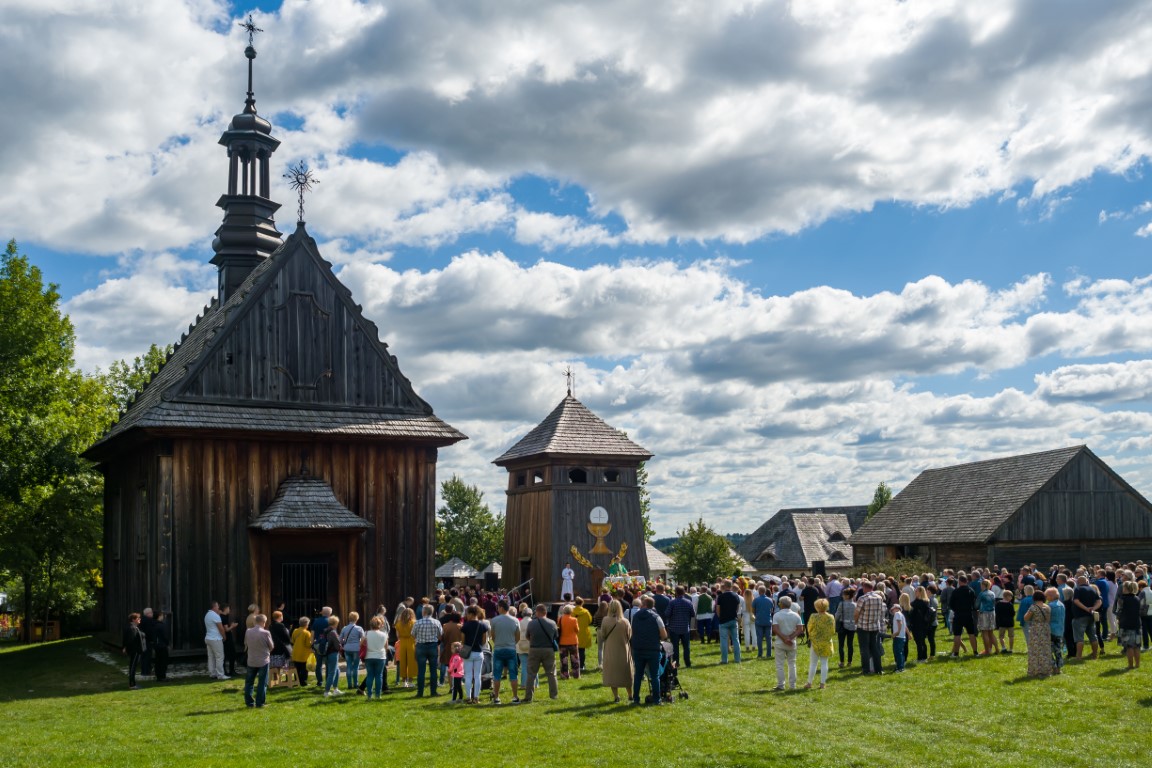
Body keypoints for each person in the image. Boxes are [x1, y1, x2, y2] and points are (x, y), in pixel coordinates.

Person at [630, 596, 667, 705]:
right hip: (652, 649)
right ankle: (657, 699)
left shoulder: (635, 616)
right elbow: (664, 635)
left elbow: (632, 631)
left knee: (638, 675)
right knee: (655, 676)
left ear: (644, 605)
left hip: (638, 648)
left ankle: (636, 699)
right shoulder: (656, 617)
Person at [598, 599, 633, 703]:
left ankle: (616, 696)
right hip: (623, 648)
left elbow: (603, 635)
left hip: (610, 649)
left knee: (612, 672)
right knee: (626, 672)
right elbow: (629, 635)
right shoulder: (625, 621)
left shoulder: (605, 620)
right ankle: (630, 695)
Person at [523, 604, 559, 702]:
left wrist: (533, 641)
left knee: (531, 674)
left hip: (534, 649)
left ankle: (528, 697)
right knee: (551, 673)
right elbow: (555, 636)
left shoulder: (531, 623)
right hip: (548, 650)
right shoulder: (552, 623)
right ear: (545, 612)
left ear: (537, 612)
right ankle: (554, 695)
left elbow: (527, 636)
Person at [489, 600, 521, 704]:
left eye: (498, 607)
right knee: (513, 674)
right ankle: (515, 696)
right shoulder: (515, 620)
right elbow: (518, 637)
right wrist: (511, 643)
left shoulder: (494, 620)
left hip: (498, 649)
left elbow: (492, 636)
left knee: (497, 675)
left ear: (501, 608)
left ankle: (497, 698)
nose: (497, 609)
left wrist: (498, 642)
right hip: (511, 649)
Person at [772, 595, 803, 690]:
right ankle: (792, 685)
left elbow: (775, 629)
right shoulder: (796, 615)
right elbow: (800, 629)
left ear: (781, 604)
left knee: (780, 664)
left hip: (780, 642)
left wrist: (785, 638)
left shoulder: (777, 615)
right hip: (791, 643)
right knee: (792, 663)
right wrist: (790, 638)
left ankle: (781, 684)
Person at [854, 583, 886, 675]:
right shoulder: (879, 598)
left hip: (863, 626)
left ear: (864, 588)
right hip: (875, 626)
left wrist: (856, 622)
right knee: (874, 648)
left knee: (864, 649)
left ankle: (866, 669)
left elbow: (856, 612)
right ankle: (878, 669)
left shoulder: (862, 598)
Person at [412, 604, 443, 698]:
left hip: (421, 646)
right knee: (433, 670)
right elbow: (440, 635)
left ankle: (420, 692)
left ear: (424, 612)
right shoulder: (436, 622)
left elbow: (413, 634)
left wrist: (419, 638)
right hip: (433, 646)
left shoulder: (418, 622)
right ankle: (433, 691)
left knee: (421, 671)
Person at [460, 604, 489, 703]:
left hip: (468, 653)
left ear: (471, 614)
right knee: (477, 676)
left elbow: (463, 641)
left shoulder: (465, 625)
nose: (466, 615)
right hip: (479, 652)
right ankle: (476, 697)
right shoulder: (483, 625)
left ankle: (468, 697)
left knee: (468, 676)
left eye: (467, 613)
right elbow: (484, 641)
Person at [243, 613, 274, 707]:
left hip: (251, 660)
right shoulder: (266, 633)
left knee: (249, 682)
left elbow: (246, 643)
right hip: (263, 660)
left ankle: (249, 702)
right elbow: (271, 646)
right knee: (262, 682)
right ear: (263, 622)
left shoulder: (248, 631)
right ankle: (260, 703)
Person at [805, 598, 835, 689]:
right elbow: (833, 630)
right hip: (826, 642)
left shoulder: (813, 616)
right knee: (824, 663)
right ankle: (822, 684)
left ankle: (809, 683)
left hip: (815, 642)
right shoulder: (831, 617)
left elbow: (809, 628)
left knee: (813, 663)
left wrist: (813, 636)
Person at [1022, 591, 1052, 677]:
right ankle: (1046, 670)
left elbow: (1026, 618)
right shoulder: (1048, 607)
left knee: (1035, 649)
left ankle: (1035, 670)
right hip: (1045, 628)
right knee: (1045, 649)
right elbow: (1048, 619)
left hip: (1036, 628)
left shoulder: (1033, 607)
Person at [1071, 575, 1101, 659]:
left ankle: (1079, 656)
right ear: (1086, 581)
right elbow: (1099, 601)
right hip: (1090, 616)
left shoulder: (1078, 589)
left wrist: (1086, 608)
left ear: (1078, 582)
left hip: (1080, 616)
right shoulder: (1092, 589)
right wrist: (1093, 609)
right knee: (1093, 636)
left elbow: (1076, 601)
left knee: (1079, 638)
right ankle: (1095, 655)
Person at [948, 576, 979, 657]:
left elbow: (951, 604)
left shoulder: (956, 591)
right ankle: (975, 652)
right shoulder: (971, 590)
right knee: (971, 634)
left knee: (957, 635)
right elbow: (974, 603)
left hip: (958, 614)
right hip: (968, 614)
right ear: (966, 581)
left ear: (960, 581)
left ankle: (956, 653)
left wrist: (956, 610)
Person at [1116, 580, 1142, 670]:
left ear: (1126, 588)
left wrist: (1118, 619)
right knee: (1137, 646)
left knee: (1129, 646)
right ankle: (1137, 664)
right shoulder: (1137, 598)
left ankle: (1130, 665)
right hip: (1137, 623)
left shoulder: (1122, 599)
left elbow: (1118, 611)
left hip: (1125, 624)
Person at [716, 580, 742, 664]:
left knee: (723, 640)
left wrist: (720, 616)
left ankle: (724, 660)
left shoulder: (720, 597)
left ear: (724, 586)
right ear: (731, 586)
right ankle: (737, 659)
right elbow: (737, 608)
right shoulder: (736, 596)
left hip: (723, 620)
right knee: (736, 639)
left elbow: (718, 609)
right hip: (733, 619)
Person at [363, 615, 389, 699]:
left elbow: (360, 644)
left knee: (370, 675)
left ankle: (369, 695)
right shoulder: (384, 634)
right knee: (379, 675)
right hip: (380, 656)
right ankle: (378, 695)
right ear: (380, 624)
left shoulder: (366, 633)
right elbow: (386, 647)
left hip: (369, 656)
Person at [339, 611, 365, 690]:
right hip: (356, 648)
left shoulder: (344, 628)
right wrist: (359, 644)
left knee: (349, 666)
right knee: (356, 666)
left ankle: (349, 684)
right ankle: (355, 683)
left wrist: (345, 643)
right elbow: (363, 638)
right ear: (357, 619)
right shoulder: (359, 628)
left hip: (347, 649)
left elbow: (340, 639)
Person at [203, 601, 228, 680]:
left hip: (208, 638)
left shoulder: (207, 614)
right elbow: (221, 628)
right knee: (219, 657)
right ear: (214, 607)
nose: (218, 607)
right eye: (217, 606)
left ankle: (213, 673)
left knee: (211, 657)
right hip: (215, 638)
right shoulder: (215, 615)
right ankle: (220, 675)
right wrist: (224, 637)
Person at [122, 612, 147, 690]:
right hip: (134, 651)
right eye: (138, 618)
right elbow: (130, 640)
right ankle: (132, 685)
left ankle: (133, 683)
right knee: (132, 667)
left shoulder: (134, 627)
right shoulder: (132, 628)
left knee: (133, 667)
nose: (139, 619)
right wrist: (126, 648)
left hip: (135, 650)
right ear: (133, 619)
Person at [908, 586, 933, 663]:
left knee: (919, 641)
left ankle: (920, 658)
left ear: (920, 592)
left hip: (919, 624)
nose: (915, 593)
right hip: (922, 624)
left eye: (916, 591)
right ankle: (923, 656)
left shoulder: (918, 603)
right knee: (921, 641)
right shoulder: (926, 602)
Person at [310, 606, 333, 687]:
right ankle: (328, 681)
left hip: (318, 644)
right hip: (328, 645)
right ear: (330, 613)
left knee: (318, 664)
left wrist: (312, 645)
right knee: (328, 664)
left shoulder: (316, 621)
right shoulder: (330, 622)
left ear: (322, 612)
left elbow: (312, 634)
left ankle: (319, 682)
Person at [269, 610, 293, 687]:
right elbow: (286, 636)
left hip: (274, 646)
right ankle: (283, 680)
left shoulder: (271, 625)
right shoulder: (280, 625)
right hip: (282, 647)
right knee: (283, 664)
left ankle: (275, 680)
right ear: (279, 617)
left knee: (274, 665)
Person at [394, 607, 417, 688]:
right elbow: (415, 634)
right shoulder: (414, 623)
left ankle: (404, 682)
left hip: (402, 643)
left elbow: (398, 635)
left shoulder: (398, 623)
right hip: (411, 643)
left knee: (403, 662)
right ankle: (410, 682)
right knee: (411, 662)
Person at [1045, 587, 1065, 675]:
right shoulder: (1061, 604)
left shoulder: (1050, 606)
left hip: (1051, 630)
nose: (1046, 598)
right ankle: (1059, 668)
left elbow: (1047, 619)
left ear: (1051, 596)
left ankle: (1054, 667)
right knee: (1058, 650)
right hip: (1060, 630)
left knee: (1048, 650)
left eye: (1047, 596)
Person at [834, 587, 856, 667]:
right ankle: (850, 662)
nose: (842, 596)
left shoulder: (842, 604)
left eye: (843, 594)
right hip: (852, 626)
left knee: (841, 645)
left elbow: (837, 615)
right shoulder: (855, 605)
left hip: (842, 625)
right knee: (850, 644)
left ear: (847, 596)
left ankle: (842, 662)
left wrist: (834, 622)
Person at [558, 604, 581, 679]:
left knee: (564, 660)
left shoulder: (560, 619)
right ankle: (576, 674)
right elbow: (577, 630)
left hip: (562, 642)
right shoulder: (574, 620)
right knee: (575, 659)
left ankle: (565, 674)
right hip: (573, 642)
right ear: (571, 611)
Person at [322, 616, 343, 696]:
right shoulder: (333, 632)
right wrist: (341, 646)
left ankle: (335, 689)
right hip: (333, 653)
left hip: (327, 653)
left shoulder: (326, 631)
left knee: (337, 671)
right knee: (332, 672)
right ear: (335, 623)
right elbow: (337, 645)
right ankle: (326, 691)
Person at [289, 616, 312, 689]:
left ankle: (296, 681)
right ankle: (303, 682)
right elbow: (308, 644)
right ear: (306, 624)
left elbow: (292, 641)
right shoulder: (307, 633)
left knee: (297, 668)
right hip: (304, 654)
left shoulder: (295, 631)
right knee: (304, 669)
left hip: (296, 652)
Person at [752, 586, 774, 660]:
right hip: (768, 620)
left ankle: (760, 653)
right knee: (769, 638)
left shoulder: (756, 600)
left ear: (759, 591)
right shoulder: (770, 600)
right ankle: (769, 653)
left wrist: (756, 615)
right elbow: (771, 610)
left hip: (759, 620)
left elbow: (753, 610)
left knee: (759, 638)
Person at [572, 597, 594, 672]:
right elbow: (590, 621)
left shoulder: (572, 612)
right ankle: (581, 665)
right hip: (583, 633)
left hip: (574, 633)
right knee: (582, 651)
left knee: (574, 651)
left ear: (575, 603)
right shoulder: (586, 612)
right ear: (582, 603)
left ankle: (575, 665)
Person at [977, 579, 997, 655]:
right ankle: (997, 649)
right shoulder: (992, 593)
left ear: (983, 585)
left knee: (984, 633)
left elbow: (976, 605)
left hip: (984, 613)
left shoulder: (982, 594)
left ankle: (987, 650)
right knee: (991, 633)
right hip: (992, 613)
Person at [152, 611, 170, 682]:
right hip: (162, 645)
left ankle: (158, 676)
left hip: (156, 645)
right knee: (163, 661)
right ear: (159, 616)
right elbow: (165, 636)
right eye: (162, 615)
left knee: (158, 661)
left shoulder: (153, 624)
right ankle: (162, 677)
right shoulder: (161, 625)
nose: (163, 617)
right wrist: (167, 643)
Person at [890, 600, 908, 672]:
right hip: (902, 636)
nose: (892, 611)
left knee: (897, 652)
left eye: (892, 609)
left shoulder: (897, 614)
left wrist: (897, 632)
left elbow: (899, 623)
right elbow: (905, 626)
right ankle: (901, 666)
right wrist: (909, 634)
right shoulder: (902, 614)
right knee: (901, 652)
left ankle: (899, 668)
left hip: (898, 636)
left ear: (896, 608)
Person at [139, 608, 156, 678]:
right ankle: (147, 672)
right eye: (151, 612)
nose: (152, 614)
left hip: (142, 640)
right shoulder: (149, 620)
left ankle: (143, 671)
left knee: (143, 656)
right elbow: (149, 631)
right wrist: (152, 639)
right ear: (148, 613)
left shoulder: (141, 620)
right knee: (147, 656)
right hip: (147, 641)